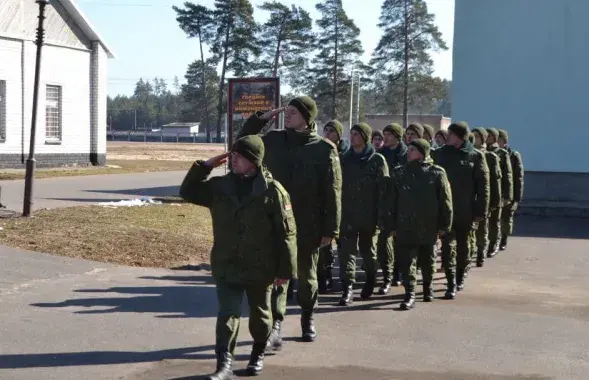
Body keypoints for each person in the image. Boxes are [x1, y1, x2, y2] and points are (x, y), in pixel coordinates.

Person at [179, 136, 297, 379]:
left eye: (239, 156)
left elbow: (287, 235)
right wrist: (206, 166)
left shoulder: (273, 192)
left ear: (253, 161)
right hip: (227, 263)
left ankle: (258, 353)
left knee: (261, 317)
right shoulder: (220, 186)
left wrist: (285, 271)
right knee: (227, 315)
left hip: (261, 266)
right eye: (232, 154)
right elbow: (187, 192)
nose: (233, 159)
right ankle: (224, 364)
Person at [237, 96, 341, 345]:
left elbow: (333, 191)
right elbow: (243, 143)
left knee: (307, 278)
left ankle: (308, 318)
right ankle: (276, 324)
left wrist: (331, 229)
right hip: (275, 224)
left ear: (308, 117)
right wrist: (259, 119)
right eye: (288, 110)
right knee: (278, 278)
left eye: (294, 111)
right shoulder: (273, 140)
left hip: (309, 225)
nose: (289, 114)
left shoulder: (324, 149)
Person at [381, 139, 453, 309]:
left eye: (412, 149)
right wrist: (390, 225)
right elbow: (390, 201)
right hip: (405, 225)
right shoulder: (399, 173)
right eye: (409, 149)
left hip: (429, 225)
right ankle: (410, 293)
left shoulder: (437, 173)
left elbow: (445, 201)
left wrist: (445, 225)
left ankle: (428, 289)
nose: (408, 152)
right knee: (407, 261)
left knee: (428, 260)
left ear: (422, 152)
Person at [433, 122, 489, 297]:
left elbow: (483, 187)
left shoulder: (475, 156)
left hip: (466, 210)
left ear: (460, 136)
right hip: (445, 210)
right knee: (448, 247)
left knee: (464, 248)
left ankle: (460, 276)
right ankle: (451, 283)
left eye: (451, 134)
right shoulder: (441, 154)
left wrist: (480, 212)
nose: (447, 137)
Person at [338, 123, 389, 305]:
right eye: (351, 134)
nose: (352, 137)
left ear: (365, 137)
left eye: (356, 134)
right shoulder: (344, 159)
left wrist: (382, 217)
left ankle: (370, 279)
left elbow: (384, 192)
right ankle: (347, 288)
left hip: (370, 214)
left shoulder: (377, 161)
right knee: (346, 253)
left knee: (368, 252)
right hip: (348, 214)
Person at [376, 123, 407, 292]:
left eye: (389, 134)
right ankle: (387, 276)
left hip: (402, 204)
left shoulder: (406, 154)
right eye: (384, 134)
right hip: (385, 203)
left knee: (400, 242)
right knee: (384, 242)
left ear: (397, 136)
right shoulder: (380, 155)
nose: (385, 137)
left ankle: (398, 273)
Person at [319, 120, 348, 293]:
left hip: (345, 205)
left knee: (344, 246)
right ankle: (325, 277)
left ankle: (345, 280)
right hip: (327, 204)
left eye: (332, 131)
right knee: (324, 246)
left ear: (338, 134)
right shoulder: (321, 152)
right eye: (326, 130)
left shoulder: (346, 154)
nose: (328, 133)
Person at [471, 128, 502, 267]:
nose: (475, 138)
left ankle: (481, 253)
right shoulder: (469, 155)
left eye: (478, 136)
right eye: (473, 136)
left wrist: (495, 201)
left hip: (484, 198)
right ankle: (469, 254)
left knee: (482, 229)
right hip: (470, 198)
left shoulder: (490, 157)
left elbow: (495, 181)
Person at [485, 128, 513, 257]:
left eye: (490, 136)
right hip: (485, 191)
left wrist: (509, 195)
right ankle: (483, 245)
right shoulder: (482, 152)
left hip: (498, 191)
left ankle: (493, 244)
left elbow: (509, 176)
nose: (487, 138)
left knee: (495, 221)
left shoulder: (502, 153)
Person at [498, 129, 524, 250]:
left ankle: (504, 238)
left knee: (507, 218)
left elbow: (518, 177)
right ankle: (495, 239)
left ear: (505, 141)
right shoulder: (494, 154)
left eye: (500, 140)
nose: (497, 142)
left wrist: (517, 196)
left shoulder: (513, 155)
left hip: (510, 191)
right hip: (498, 191)